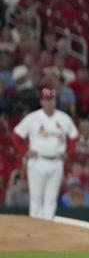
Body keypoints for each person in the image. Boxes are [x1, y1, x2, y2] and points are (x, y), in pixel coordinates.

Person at [11, 87, 80, 219]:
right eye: (46, 99)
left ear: (55, 100)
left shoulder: (63, 118)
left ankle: (48, 229)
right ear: (41, 101)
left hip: (56, 162)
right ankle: (35, 230)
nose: (49, 102)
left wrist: (68, 151)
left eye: (52, 99)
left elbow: (74, 136)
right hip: (38, 161)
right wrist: (24, 151)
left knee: (51, 198)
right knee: (36, 197)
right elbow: (16, 135)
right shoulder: (33, 118)